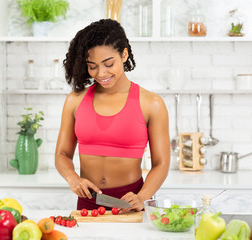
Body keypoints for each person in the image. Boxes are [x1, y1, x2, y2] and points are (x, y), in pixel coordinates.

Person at [55, 19, 170, 213]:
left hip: (130, 203)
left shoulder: (151, 103)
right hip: (87, 203)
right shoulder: (75, 101)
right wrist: (73, 178)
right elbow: (62, 154)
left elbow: (161, 163)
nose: (101, 73)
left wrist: (141, 197)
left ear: (124, 54)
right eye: (92, 66)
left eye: (109, 64)